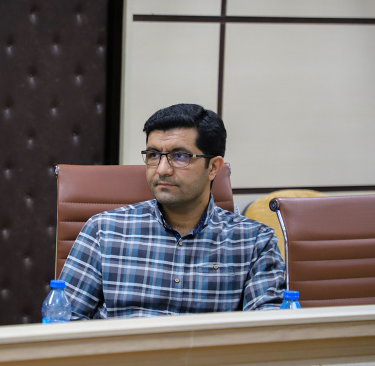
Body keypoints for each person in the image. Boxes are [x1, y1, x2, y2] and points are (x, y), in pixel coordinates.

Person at [59, 103, 286, 319]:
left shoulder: (254, 241)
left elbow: (269, 331)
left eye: (180, 156)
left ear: (213, 167)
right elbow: (64, 320)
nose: (162, 169)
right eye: (153, 155)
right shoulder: (103, 230)